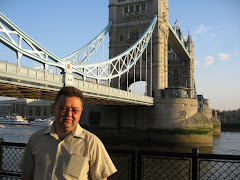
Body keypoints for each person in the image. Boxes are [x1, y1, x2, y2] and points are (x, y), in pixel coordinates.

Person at [19, 86, 117, 180]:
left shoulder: (92, 143)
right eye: (63, 109)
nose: (69, 114)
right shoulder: (35, 139)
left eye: (75, 110)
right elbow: (26, 176)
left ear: (81, 112)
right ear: (54, 108)